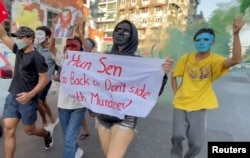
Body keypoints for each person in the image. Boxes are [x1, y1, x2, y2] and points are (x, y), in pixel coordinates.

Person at [95, 19, 173, 158]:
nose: (120, 33)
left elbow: (154, 92)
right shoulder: (103, 58)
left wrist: (161, 74)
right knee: (108, 154)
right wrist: (70, 60)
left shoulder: (140, 63)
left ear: (133, 37)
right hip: (103, 116)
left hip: (126, 117)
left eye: (126, 31)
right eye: (118, 30)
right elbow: (89, 82)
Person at [170, 18, 244, 158]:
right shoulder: (186, 58)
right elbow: (174, 76)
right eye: (198, 40)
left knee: (196, 143)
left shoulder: (215, 60)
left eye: (205, 39)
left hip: (200, 104)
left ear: (212, 42)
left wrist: (235, 34)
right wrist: (176, 93)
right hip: (181, 103)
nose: (202, 42)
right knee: (177, 136)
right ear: (195, 42)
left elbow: (236, 60)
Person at [0, 25, 54, 158]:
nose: (17, 40)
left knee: (29, 130)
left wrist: (30, 95)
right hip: (13, 95)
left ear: (30, 39)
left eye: (20, 37)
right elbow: (3, 35)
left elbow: (44, 79)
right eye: (16, 37)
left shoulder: (37, 57)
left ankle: (47, 134)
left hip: (28, 100)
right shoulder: (18, 50)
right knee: (8, 128)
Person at [51, 18, 93, 158]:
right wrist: (53, 30)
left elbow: (90, 51)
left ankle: (71, 152)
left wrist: (80, 33)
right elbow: (51, 47)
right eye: (68, 46)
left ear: (80, 49)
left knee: (69, 139)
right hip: (63, 105)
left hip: (78, 105)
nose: (71, 49)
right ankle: (77, 150)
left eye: (74, 46)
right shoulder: (63, 60)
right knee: (67, 137)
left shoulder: (85, 61)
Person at [35, 26, 59, 128]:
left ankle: (44, 121)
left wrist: (58, 74)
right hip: (36, 79)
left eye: (40, 34)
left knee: (38, 102)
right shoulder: (35, 47)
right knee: (43, 102)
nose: (37, 36)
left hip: (46, 80)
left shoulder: (52, 50)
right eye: (37, 34)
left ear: (48, 36)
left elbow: (60, 64)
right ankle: (53, 118)